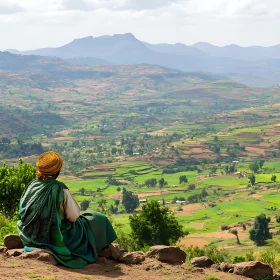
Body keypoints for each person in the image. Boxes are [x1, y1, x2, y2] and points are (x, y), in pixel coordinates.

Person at [17, 151, 117, 269]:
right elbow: (73, 217)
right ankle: (100, 251)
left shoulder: (32, 184)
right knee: (97, 218)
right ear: (57, 170)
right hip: (56, 235)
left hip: (30, 234)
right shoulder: (59, 188)